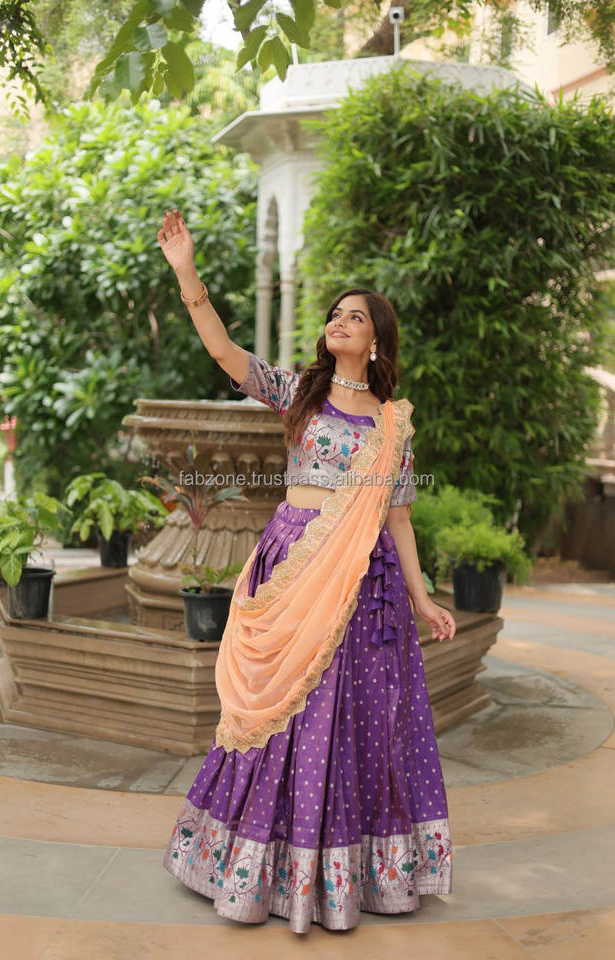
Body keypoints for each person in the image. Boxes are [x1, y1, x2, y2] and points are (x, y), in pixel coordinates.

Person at [156, 208, 455, 934]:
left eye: (355, 316)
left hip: (367, 584)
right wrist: (187, 273)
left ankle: (341, 876)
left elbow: (398, 520)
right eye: (334, 314)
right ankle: (257, 863)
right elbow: (226, 354)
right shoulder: (300, 393)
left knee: (350, 718)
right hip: (295, 563)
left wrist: (422, 598)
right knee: (282, 711)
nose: (338, 321)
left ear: (376, 339)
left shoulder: (393, 423)